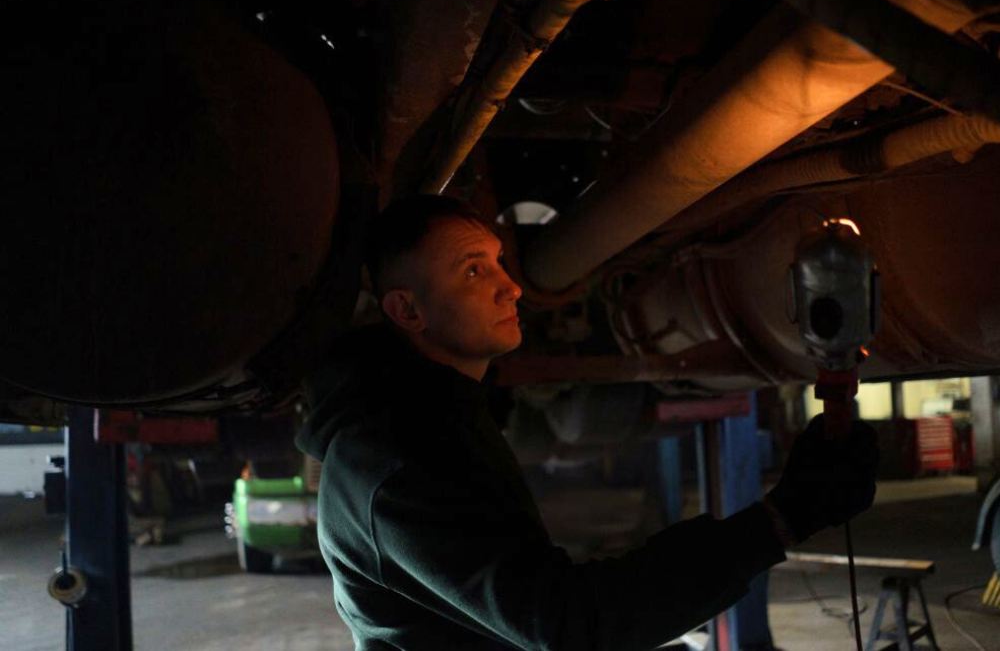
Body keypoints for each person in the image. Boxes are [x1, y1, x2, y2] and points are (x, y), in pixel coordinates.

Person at [296, 194, 878, 650]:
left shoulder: (423, 419)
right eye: (474, 272)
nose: (511, 287)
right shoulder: (397, 456)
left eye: (499, 262)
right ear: (408, 310)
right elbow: (566, 624)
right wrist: (779, 520)